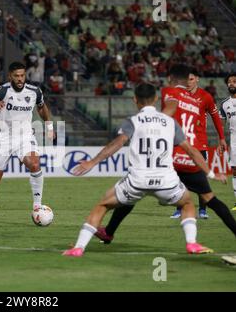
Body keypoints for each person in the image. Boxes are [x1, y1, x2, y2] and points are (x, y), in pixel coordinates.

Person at [63, 83, 225, 257]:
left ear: (135, 100)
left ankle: (79, 247)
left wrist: (92, 162)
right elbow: (192, 151)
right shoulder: (170, 122)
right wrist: (210, 173)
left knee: (102, 205)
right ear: (155, 100)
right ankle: (192, 243)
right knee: (187, 203)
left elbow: (117, 144)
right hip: (166, 180)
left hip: (137, 181)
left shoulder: (133, 121)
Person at [95, 65, 236, 244]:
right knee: (210, 197)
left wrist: (154, 123)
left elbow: (170, 108)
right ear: (187, 80)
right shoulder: (194, 100)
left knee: (134, 189)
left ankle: (108, 231)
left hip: (171, 156)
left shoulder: (172, 92)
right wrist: (211, 171)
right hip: (192, 155)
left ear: (171, 79)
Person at [0, 62, 55, 219]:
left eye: (22, 75)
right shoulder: (3, 90)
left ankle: (37, 206)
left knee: (34, 164)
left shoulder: (34, 91)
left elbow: (41, 107)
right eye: (16, 76)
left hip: (25, 136)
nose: (20, 79)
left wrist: (49, 125)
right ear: (10, 76)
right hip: (4, 138)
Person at [169, 69, 226, 219]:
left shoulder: (205, 97)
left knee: (201, 177)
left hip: (200, 144)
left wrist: (221, 138)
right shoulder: (180, 96)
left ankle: (202, 209)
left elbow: (215, 117)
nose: (188, 82)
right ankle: (179, 208)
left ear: (198, 79)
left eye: (191, 79)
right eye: (186, 79)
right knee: (178, 178)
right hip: (182, 143)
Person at [219, 72, 236, 211]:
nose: (231, 83)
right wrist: (221, 140)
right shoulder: (224, 104)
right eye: (229, 81)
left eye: (234, 81)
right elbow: (222, 125)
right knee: (235, 170)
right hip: (234, 139)